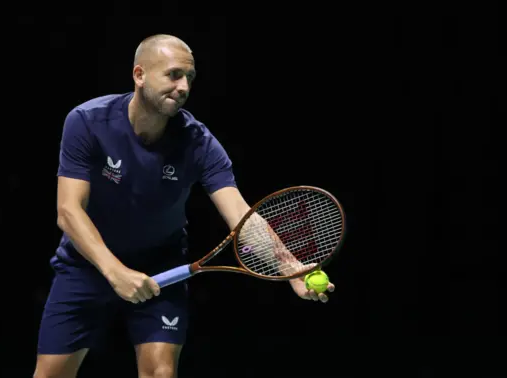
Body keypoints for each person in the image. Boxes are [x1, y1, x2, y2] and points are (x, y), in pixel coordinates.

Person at [33, 34, 335, 378]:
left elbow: (240, 215)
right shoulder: (87, 121)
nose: (183, 87)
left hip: (162, 267)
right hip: (87, 266)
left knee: (161, 373)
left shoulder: (199, 142)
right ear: (139, 74)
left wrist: (290, 268)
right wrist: (115, 271)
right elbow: (69, 210)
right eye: (173, 75)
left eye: (189, 78)